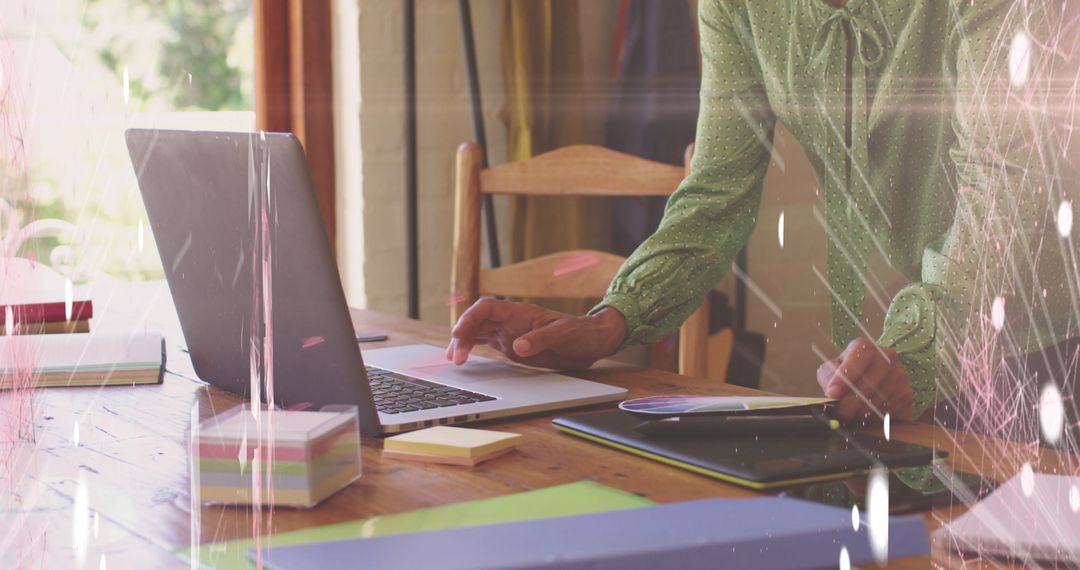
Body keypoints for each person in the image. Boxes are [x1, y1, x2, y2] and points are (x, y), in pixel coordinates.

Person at [446, 0, 1080, 435]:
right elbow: (717, 187)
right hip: (967, 337)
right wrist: (612, 321)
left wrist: (916, 350)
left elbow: (1006, 180)